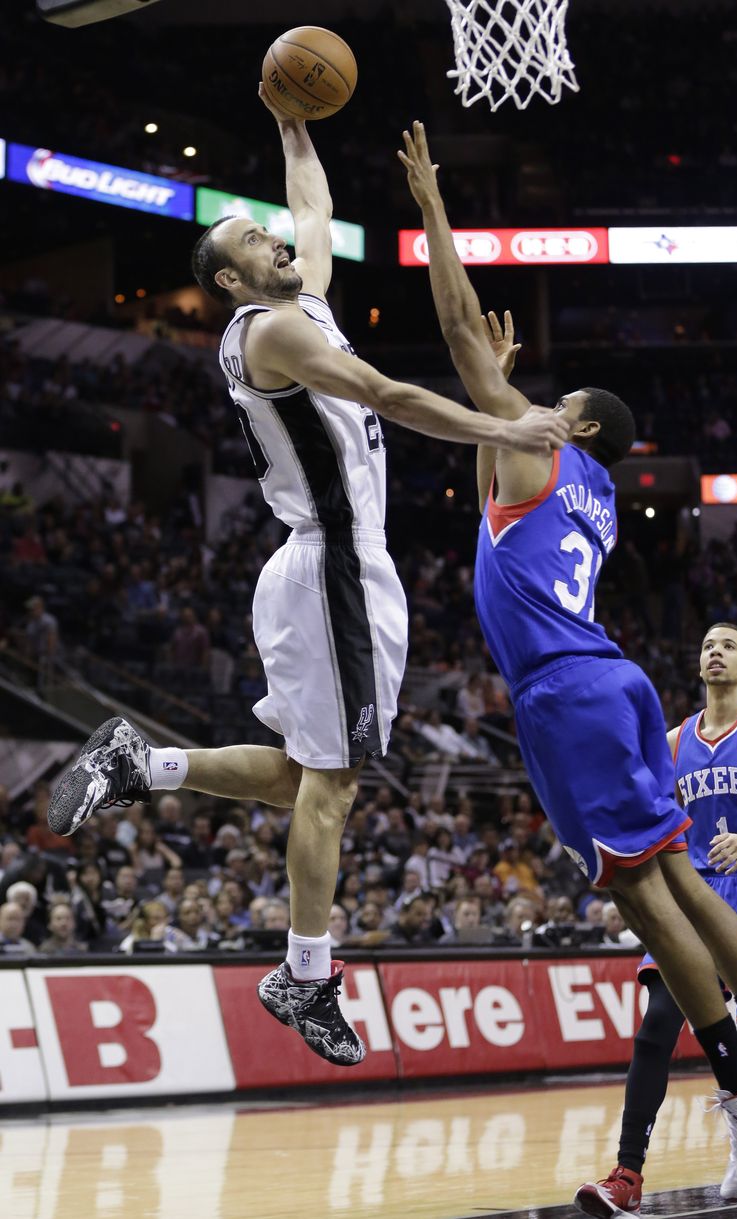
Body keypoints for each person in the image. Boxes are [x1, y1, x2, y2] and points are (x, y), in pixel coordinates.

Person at [46, 97, 567, 1071]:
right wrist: (499, 427)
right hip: (332, 564)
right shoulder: (266, 332)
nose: (279, 240)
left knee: (301, 779)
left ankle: (140, 765)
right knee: (330, 786)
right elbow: (384, 393)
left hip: (333, 568)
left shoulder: (305, 303)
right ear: (233, 277)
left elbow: (315, 213)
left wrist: (293, 125)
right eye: (257, 240)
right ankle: (306, 973)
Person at [399, 119, 737, 1203]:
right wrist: (503, 412)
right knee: (669, 868)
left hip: (566, 689)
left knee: (639, 891)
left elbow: (451, 324)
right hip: (609, 680)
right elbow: (497, 488)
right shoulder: (592, 487)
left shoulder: (536, 439)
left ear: (566, 420)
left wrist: (434, 206)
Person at [575, 622, 737, 1216]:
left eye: (728, 645)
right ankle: (626, 1175)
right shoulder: (671, 742)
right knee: (655, 1030)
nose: (714, 652)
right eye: (706, 645)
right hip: (696, 896)